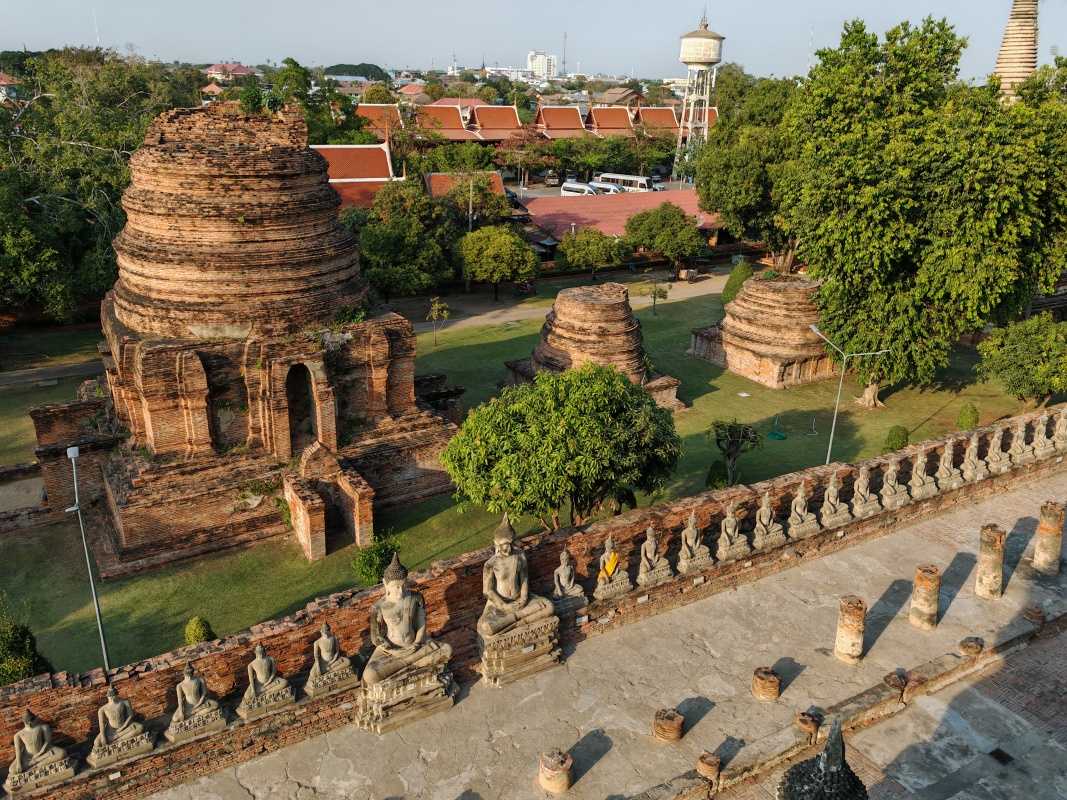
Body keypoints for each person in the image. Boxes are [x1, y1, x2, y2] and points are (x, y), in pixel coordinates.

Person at [477, 515, 554, 637]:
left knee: (549, 607)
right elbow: (487, 591)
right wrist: (504, 606)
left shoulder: (520, 556)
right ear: (496, 544)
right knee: (487, 628)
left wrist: (523, 599)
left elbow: (524, 579)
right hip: (498, 605)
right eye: (504, 545)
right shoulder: (490, 564)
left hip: (520, 600)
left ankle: (515, 623)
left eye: (510, 544)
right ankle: (518, 619)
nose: (508, 548)